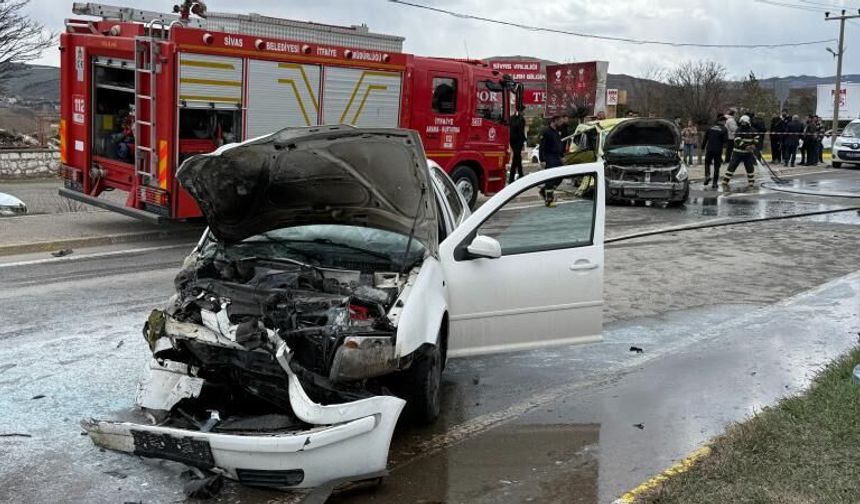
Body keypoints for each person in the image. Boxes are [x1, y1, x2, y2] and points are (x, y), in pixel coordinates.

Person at [719, 114, 758, 192]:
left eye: (745, 123)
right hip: (738, 153)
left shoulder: (753, 130)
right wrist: (745, 146)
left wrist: (754, 144)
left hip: (748, 154)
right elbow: (737, 140)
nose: (743, 124)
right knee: (731, 167)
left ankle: (751, 183)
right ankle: (725, 181)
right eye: (742, 123)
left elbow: (756, 138)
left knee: (750, 168)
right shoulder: (739, 130)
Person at [538, 115, 565, 207]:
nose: (561, 123)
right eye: (560, 121)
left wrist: (561, 156)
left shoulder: (557, 132)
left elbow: (559, 144)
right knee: (550, 178)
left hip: (557, 157)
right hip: (550, 157)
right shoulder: (546, 132)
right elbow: (542, 147)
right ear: (555, 121)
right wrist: (542, 159)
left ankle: (544, 191)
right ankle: (549, 200)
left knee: (560, 176)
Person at [701, 114, 728, 188]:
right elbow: (725, 141)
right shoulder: (724, 129)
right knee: (717, 166)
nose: (725, 123)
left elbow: (705, 138)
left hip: (709, 149)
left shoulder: (710, 127)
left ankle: (707, 175)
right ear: (722, 121)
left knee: (707, 163)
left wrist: (702, 148)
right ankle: (714, 183)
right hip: (718, 150)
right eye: (725, 121)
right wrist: (725, 149)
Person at [507, 106, 526, 184]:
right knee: (517, 157)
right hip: (514, 140)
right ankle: (518, 176)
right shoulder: (513, 119)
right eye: (522, 111)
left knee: (517, 158)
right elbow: (513, 127)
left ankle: (515, 177)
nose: (523, 113)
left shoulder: (522, 119)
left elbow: (522, 130)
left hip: (519, 141)